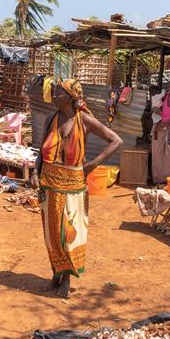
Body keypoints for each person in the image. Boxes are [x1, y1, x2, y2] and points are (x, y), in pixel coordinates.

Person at [30, 79, 122, 298]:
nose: (53, 96)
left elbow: (116, 140)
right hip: (49, 185)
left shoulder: (85, 121)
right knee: (52, 235)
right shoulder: (50, 119)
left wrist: (92, 164)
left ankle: (67, 278)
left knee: (70, 233)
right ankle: (56, 273)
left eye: (58, 93)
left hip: (74, 186)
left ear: (71, 96)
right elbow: (40, 152)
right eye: (53, 92)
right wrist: (35, 172)